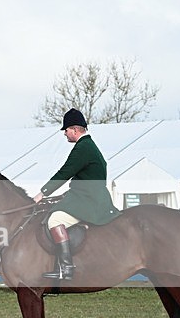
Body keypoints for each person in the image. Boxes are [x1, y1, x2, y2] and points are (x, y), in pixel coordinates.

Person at [32, 108, 121, 280]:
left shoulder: (83, 147)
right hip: (86, 196)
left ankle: (66, 268)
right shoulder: (88, 146)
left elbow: (64, 173)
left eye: (66, 130)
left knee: (54, 220)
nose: (64, 133)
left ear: (74, 129)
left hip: (89, 201)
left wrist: (42, 193)